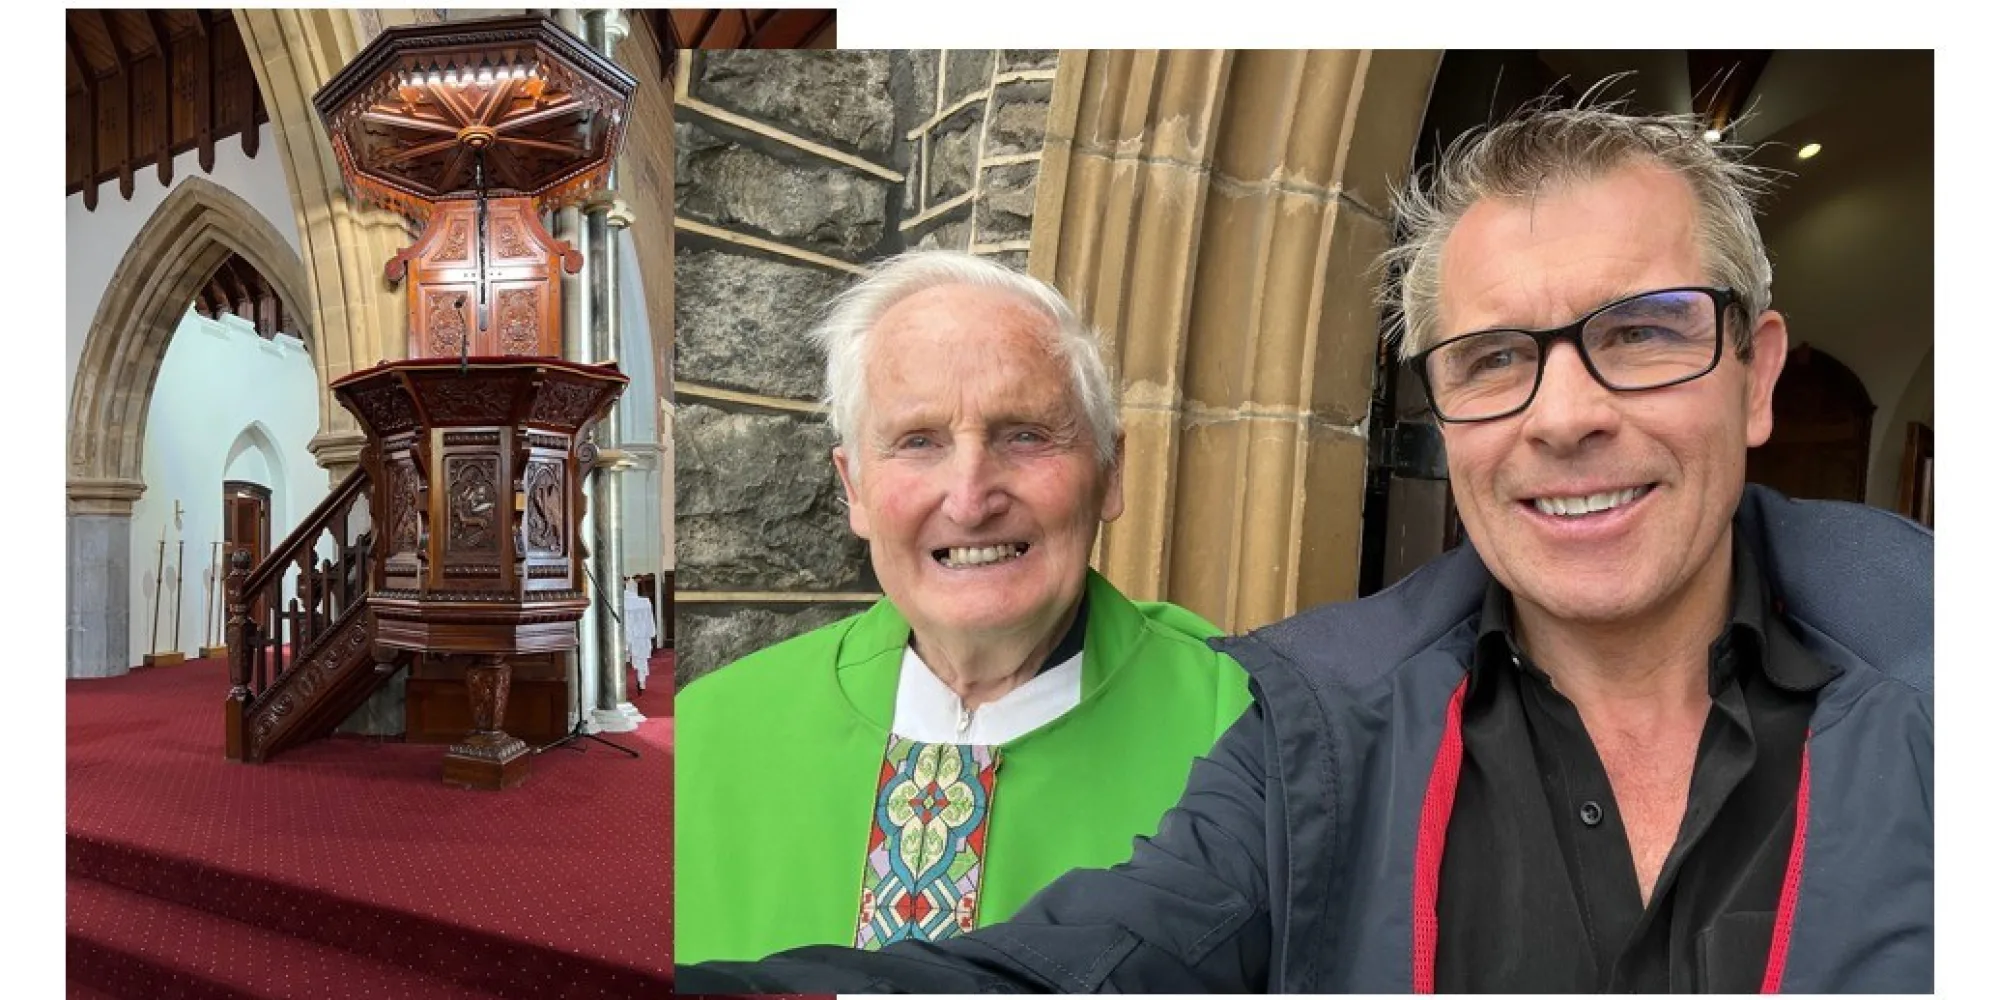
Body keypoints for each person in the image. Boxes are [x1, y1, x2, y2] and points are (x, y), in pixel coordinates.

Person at [676, 105, 1933, 993]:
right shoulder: (1312, 728)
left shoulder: (1949, 684)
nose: (1563, 415)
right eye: (1493, 357)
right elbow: (1076, 970)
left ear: (1756, 376)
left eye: (1646, 334)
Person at [673, 250, 1252, 964]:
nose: (972, 498)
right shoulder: (707, 740)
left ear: (1110, 471)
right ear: (853, 489)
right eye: (919, 442)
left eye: (1026, 435)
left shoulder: (1249, 735)